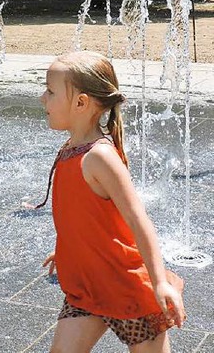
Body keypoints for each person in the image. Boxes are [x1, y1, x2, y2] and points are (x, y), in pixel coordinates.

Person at [33, 51, 185, 352]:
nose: (43, 99)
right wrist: (70, 248)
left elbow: (139, 220)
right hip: (88, 287)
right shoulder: (71, 147)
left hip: (127, 287)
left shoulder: (99, 156)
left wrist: (160, 282)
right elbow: (86, 214)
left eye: (51, 92)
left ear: (81, 103)